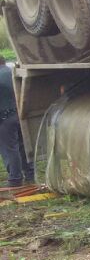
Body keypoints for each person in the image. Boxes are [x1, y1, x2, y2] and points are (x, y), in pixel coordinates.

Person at [0, 56, 35, 187]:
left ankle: (15, 179)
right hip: (20, 113)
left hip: (4, 118)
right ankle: (30, 174)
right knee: (24, 146)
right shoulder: (12, 71)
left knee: (10, 149)